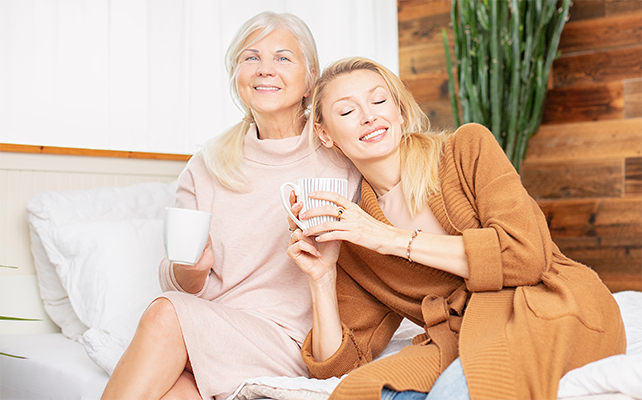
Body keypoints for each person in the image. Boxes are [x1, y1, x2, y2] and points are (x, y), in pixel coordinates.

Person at [286, 57, 626, 400]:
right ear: (325, 133)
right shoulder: (358, 235)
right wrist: (323, 276)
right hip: (461, 337)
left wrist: (389, 238)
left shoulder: (466, 149)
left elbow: (525, 258)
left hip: (550, 306)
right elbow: (338, 365)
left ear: (400, 111)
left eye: (379, 101)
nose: (369, 116)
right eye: (347, 112)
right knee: (355, 393)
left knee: (459, 390)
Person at [100, 12, 360, 400]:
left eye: (283, 58)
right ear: (236, 76)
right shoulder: (208, 163)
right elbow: (176, 278)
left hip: (286, 339)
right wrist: (192, 270)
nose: (264, 70)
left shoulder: (340, 154)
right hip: (208, 328)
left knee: (164, 313)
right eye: (250, 58)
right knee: (175, 393)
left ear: (311, 78)